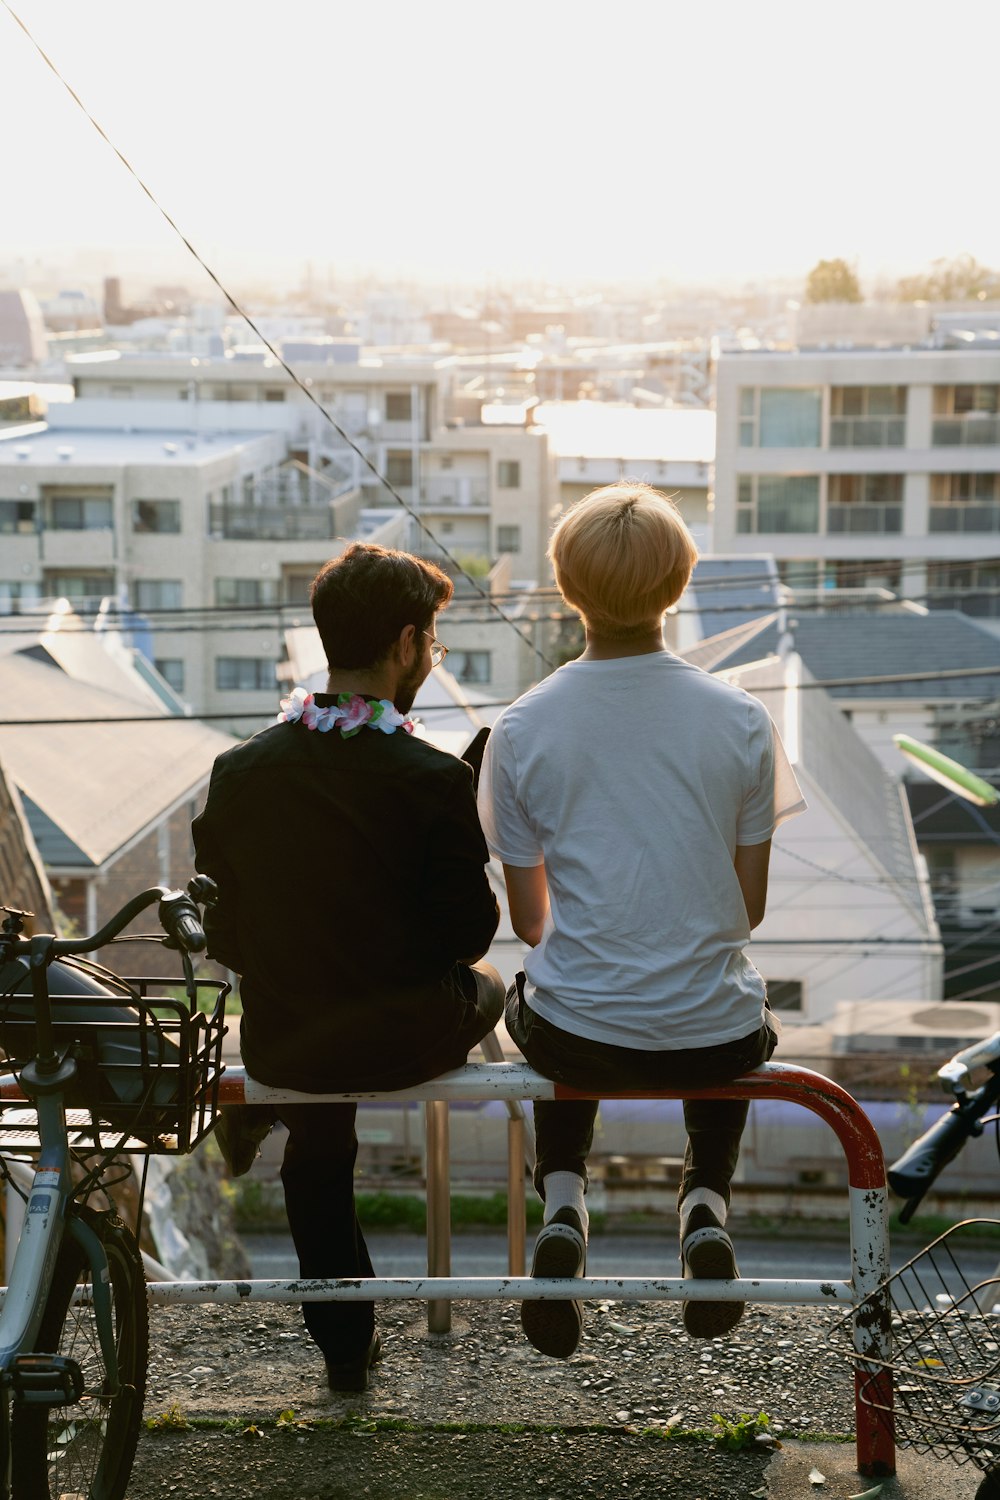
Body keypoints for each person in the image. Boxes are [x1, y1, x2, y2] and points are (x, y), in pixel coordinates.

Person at [477, 482, 806, 1359]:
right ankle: (705, 1207)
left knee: (545, 1002)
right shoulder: (741, 719)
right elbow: (750, 909)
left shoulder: (521, 728)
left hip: (578, 1036)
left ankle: (563, 1203)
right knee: (735, 1002)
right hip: (713, 1042)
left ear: (565, 587)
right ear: (680, 582)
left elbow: (532, 923)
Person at [192, 542, 505, 1391]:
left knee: (319, 1145)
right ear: (405, 643)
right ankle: (283, 1118)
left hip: (288, 1040)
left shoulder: (241, 770)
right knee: (495, 989)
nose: (432, 663)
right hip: (401, 1036)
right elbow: (469, 932)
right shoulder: (432, 775)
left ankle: (345, 1355)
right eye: (433, 646)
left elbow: (221, 928)